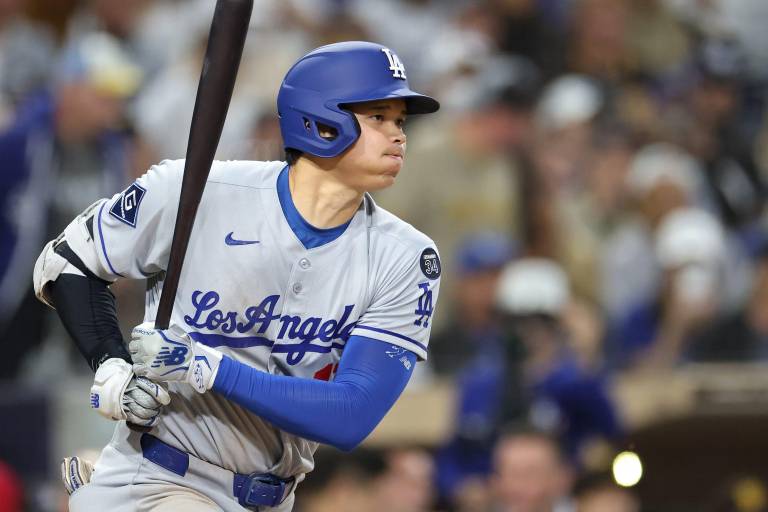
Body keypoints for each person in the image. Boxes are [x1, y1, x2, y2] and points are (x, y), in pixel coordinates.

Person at [33, 41, 441, 512]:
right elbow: (68, 263)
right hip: (160, 477)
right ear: (321, 121)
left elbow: (350, 415)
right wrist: (111, 365)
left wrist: (206, 367)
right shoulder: (197, 191)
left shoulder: (406, 257)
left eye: (400, 122)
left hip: (273, 496)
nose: (398, 136)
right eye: (378, 118)